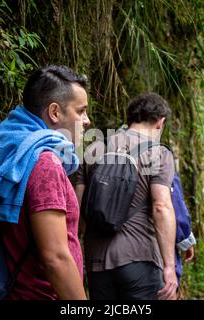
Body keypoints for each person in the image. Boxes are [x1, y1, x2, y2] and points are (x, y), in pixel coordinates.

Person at [0, 65, 90, 299]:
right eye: (81, 111)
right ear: (54, 112)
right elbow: (56, 257)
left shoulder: (13, 152)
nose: (87, 121)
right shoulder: (45, 163)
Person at [75, 92, 193, 300]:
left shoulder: (93, 150)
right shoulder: (158, 153)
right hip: (140, 258)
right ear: (160, 122)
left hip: (97, 261)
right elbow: (161, 207)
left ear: (128, 119)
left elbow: (78, 211)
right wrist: (169, 266)